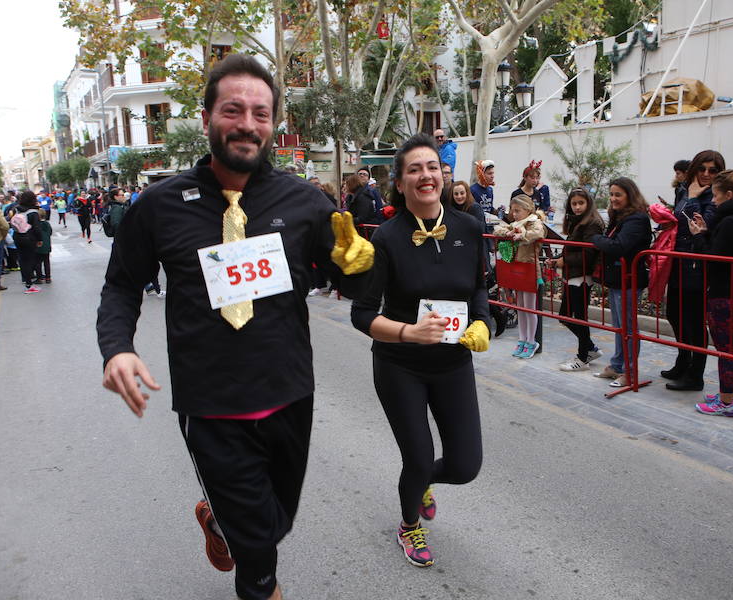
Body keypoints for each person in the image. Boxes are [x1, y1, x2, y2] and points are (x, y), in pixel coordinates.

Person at [96, 53, 373, 600]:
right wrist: (116, 349)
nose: (248, 123)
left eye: (261, 113)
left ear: (273, 124)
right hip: (212, 404)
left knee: (277, 521)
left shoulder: (305, 203)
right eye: (233, 110)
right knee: (260, 549)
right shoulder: (158, 205)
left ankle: (221, 521)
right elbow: (122, 286)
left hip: (290, 392)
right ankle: (257, 578)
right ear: (206, 119)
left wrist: (359, 262)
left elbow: (357, 289)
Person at [351, 133, 490, 568]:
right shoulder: (387, 238)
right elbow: (360, 314)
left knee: (466, 465)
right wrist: (410, 332)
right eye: (414, 169)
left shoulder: (469, 226)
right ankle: (409, 523)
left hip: (453, 364)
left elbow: (481, 287)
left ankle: (419, 481)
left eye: (432, 167)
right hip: (399, 366)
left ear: (443, 175)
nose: (426, 175)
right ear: (400, 181)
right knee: (418, 455)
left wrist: (484, 321)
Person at [689, 165, 733, 417]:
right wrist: (707, 231)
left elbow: (712, 257)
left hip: (723, 292)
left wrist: (698, 236)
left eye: (716, 196)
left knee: (726, 348)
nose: (713, 201)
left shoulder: (729, 221)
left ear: (728, 195)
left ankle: (726, 401)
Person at [663, 150, 725, 392]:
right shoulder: (685, 189)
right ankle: (683, 361)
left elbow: (700, 223)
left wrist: (693, 198)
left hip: (698, 264)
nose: (707, 174)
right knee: (674, 314)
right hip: (679, 260)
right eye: (702, 169)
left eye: (713, 170)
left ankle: (695, 374)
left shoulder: (712, 196)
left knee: (693, 321)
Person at [591, 177, 651, 388]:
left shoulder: (637, 219)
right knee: (619, 327)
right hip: (618, 279)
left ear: (629, 195)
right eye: (612, 194)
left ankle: (630, 372)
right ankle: (618, 365)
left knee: (628, 328)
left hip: (630, 279)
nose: (613, 199)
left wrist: (596, 239)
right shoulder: (620, 216)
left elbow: (618, 246)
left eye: (618, 194)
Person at [551, 188, 605, 371]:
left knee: (580, 317)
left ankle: (583, 358)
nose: (577, 207)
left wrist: (563, 260)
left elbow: (588, 254)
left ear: (588, 203)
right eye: (574, 204)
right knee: (565, 316)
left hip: (582, 276)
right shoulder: (578, 221)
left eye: (581, 203)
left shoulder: (592, 223)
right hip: (572, 275)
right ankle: (589, 348)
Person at [494, 194, 546, 359]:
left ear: (528, 209)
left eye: (517, 210)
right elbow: (498, 229)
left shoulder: (534, 222)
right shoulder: (516, 224)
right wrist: (511, 232)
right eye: (512, 211)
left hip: (530, 269)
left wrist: (521, 235)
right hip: (518, 269)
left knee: (530, 310)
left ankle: (531, 341)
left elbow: (537, 233)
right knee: (521, 308)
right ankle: (522, 340)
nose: (514, 214)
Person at [11, 191, 44, 294]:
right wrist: (40, 240)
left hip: (17, 236)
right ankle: (30, 284)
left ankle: (26, 281)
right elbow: (37, 228)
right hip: (29, 238)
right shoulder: (33, 212)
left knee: (22, 259)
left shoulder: (16, 209)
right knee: (30, 260)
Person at [34, 208, 53, 284]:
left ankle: (39, 278)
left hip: (38, 245)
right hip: (47, 245)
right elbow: (50, 232)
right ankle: (48, 277)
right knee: (46, 262)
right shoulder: (47, 224)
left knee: (38, 262)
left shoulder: (36, 225)